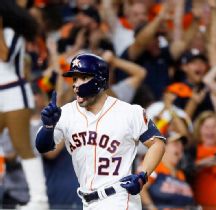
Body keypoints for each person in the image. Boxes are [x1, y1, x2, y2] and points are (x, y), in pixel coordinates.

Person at [34, 53, 166, 210]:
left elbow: (157, 143)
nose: (76, 84)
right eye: (74, 79)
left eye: (83, 78)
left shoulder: (129, 112)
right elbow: (43, 147)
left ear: (99, 80)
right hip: (87, 202)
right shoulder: (66, 113)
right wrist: (48, 127)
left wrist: (142, 175)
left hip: (119, 198)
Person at [0, 0, 49, 209]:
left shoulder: (12, 33)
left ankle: (40, 200)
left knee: (22, 147)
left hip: (15, 93)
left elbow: (5, 56)